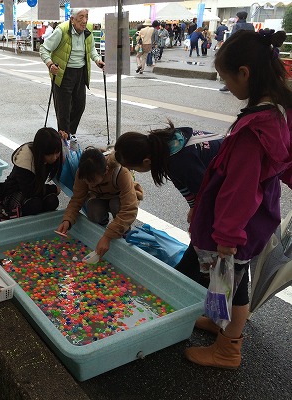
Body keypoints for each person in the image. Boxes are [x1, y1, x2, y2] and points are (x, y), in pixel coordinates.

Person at [184, 29, 292, 369]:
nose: (226, 86)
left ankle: (228, 349)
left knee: (237, 281)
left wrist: (227, 236)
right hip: (257, 215)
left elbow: (240, 189)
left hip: (241, 222)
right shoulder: (277, 111)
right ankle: (221, 324)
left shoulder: (253, 130)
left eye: (225, 79)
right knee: (230, 277)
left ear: (244, 73)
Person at [113, 121, 223, 285]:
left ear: (146, 161)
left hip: (231, 180)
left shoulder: (180, 161)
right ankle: (190, 278)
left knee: (203, 238)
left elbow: (208, 196)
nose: (134, 172)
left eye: (133, 168)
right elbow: (184, 184)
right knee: (198, 242)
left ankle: (200, 283)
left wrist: (200, 221)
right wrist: (193, 207)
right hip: (210, 183)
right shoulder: (163, 146)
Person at [56, 148, 142, 257]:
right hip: (100, 198)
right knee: (93, 209)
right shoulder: (83, 173)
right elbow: (77, 199)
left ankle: (123, 233)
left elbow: (130, 208)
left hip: (118, 199)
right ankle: (102, 231)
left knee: (116, 205)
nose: (90, 185)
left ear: (106, 170)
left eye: (93, 182)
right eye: (87, 182)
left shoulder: (121, 172)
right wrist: (67, 220)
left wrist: (108, 237)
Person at [39, 8, 105, 138]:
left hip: (80, 73)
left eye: (86, 16)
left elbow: (91, 50)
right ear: (72, 19)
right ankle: (64, 138)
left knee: (79, 105)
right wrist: (50, 64)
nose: (84, 20)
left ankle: (70, 133)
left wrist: (97, 60)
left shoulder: (88, 30)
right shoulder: (61, 31)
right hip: (63, 73)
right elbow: (44, 49)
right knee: (63, 110)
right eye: (81, 17)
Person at [0, 127, 62, 221]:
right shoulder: (25, 162)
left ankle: (39, 223)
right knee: (35, 205)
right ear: (41, 152)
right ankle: (21, 224)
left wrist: (64, 141)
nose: (55, 157)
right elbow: (30, 191)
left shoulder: (47, 157)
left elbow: (67, 159)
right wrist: (52, 189)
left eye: (57, 152)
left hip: (33, 191)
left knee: (52, 201)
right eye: (51, 154)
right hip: (15, 194)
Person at [219, 11, 255, 92]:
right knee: (248, 68)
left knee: (232, 68)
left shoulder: (237, 26)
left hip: (238, 51)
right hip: (249, 50)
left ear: (238, 17)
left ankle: (229, 85)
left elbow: (233, 38)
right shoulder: (251, 26)